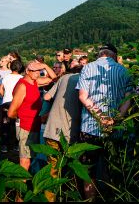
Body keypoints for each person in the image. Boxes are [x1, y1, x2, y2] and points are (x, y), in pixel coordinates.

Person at [76, 43, 134, 199]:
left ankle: (90, 199)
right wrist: (114, 120)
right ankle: (115, 197)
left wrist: (101, 118)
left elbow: (82, 96)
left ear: (99, 54)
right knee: (115, 167)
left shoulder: (87, 68)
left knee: (89, 169)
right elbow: (128, 100)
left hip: (90, 128)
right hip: (115, 128)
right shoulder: (124, 71)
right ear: (114, 56)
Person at [6, 60, 57, 172]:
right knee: (25, 160)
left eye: (40, 71)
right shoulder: (23, 86)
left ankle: (25, 181)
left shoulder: (34, 82)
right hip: (26, 127)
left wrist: (44, 65)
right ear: (27, 71)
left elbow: (55, 79)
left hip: (34, 125)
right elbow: (11, 112)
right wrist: (22, 121)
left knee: (30, 157)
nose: (38, 73)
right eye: (35, 70)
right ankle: (20, 187)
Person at [42, 64, 82, 202]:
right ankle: (67, 196)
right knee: (71, 168)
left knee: (52, 168)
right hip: (70, 132)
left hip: (52, 128)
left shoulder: (63, 78)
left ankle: (49, 198)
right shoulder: (84, 79)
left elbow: (47, 97)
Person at [0, 59, 24, 155]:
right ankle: (16, 145)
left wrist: (4, 96)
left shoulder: (6, 77)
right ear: (20, 68)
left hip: (6, 103)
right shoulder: (22, 78)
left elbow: (0, 91)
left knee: (6, 125)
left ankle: (4, 146)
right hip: (17, 104)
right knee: (17, 125)